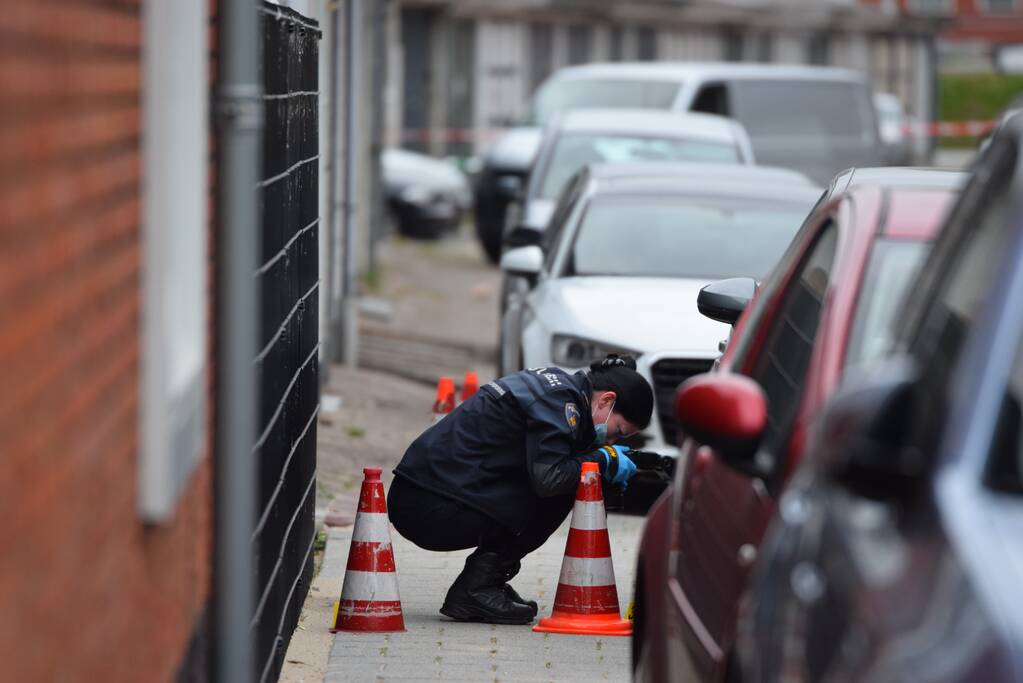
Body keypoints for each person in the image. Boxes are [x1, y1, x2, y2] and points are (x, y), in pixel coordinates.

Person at [388, 354, 654, 625]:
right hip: (428, 507)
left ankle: (484, 582)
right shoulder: (560, 402)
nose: (612, 440)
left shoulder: (561, 388)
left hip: (420, 495)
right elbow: (550, 478)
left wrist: (598, 459)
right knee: (563, 486)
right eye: (617, 431)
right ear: (606, 400)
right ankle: (477, 588)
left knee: (572, 473)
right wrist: (602, 459)